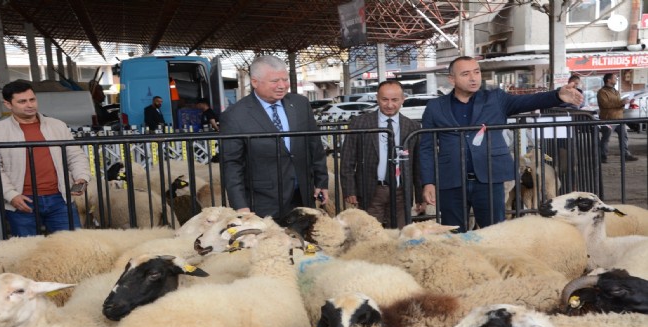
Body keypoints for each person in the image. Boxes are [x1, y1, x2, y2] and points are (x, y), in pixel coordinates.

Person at [419, 56, 583, 232]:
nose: (473, 78)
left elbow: (528, 101)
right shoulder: (435, 107)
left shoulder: (495, 99)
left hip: (489, 178)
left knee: (495, 233)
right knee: (452, 234)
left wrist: (557, 95)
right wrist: (428, 182)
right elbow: (426, 148)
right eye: (465, 74)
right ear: (452, 79)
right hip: (451, 180)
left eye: (476, 72)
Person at [220, 55, 329, 220]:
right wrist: (240, 206)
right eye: (275, 81)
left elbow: (314, 145)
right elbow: (232, 165)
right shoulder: (235, 115)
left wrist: (321, 182)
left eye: (285, 80)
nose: (282, 86)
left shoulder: (300, 104)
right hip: (263, 202)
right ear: (255, 82)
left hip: (302, 196)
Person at [0, 81, 91, 237]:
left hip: (60, 198)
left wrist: (82, 177)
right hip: (21, 200)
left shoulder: (58, 126)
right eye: (22, 101)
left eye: (32, 99)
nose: (30, 105)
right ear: (8, 104)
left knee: (73, 248)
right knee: (28, 254)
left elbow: (75, 155)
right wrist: (11, 195)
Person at [340, 80, 424, 228]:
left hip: (401, 191)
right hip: (371, 190)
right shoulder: (360, 123)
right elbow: (347, 160)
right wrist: (349, 190)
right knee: (369, 237)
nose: (390, 105)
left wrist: (419, 196)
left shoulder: (412, 126)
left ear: (403, 99)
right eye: (385, 99)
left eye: (395, 100)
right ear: (377, 98)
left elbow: (417, 165)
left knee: (400, 236)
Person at [597, 73, 639, 163]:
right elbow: (605, 104)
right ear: (608, 80)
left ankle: (625, 155)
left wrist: (625, 103)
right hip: (608, 119)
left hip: (619, 118)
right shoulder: (602, 92)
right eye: (615, 78)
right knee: (606, 138)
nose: (616, 79)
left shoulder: (615, 91)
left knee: (624, 137)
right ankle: (602, 156)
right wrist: (621, 103)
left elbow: (618, 103)